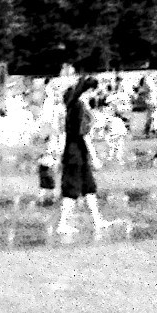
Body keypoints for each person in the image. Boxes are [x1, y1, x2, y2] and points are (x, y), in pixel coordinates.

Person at [56, 78, 107, 238]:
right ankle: (62, 224)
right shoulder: (78, 107)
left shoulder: (73, 106)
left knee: (89, 187)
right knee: (72, 190)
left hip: (76, 153)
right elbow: (84, 135)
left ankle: (97, 220)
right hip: (76, 154)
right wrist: (95, 157)